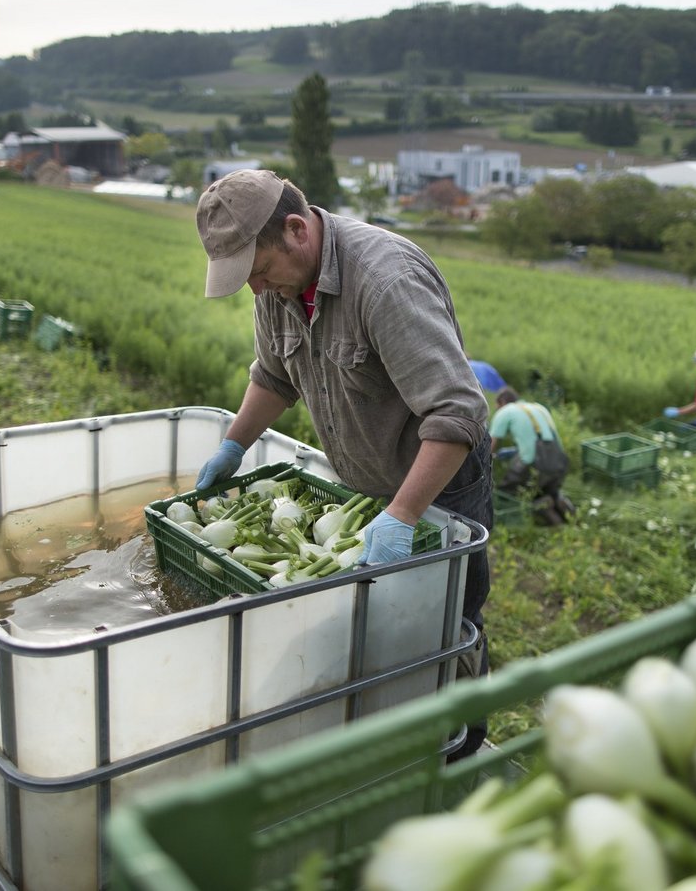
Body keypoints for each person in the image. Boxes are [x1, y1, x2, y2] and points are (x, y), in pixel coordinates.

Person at [190, 169, 494, 759]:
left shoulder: (385, 282)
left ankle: (459, 745)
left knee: (448, 622)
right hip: (368, 486)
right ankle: (386, 728)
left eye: (257, 271)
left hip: (437, 485)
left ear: (297, 231)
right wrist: (234, 445)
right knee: (381, 629)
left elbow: (457, 414)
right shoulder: (281, 289)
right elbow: (274, 376)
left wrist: (403, 516)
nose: (256, 290)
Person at [489, 387, 574, 526]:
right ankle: (558, 503)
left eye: (497, 406)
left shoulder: (506, 411)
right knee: (544, 489)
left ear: (502, 402)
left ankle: (537, 508)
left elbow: (490, 445)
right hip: (559, 460)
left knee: (506, 493)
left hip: (534, 463)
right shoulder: (538, 407)